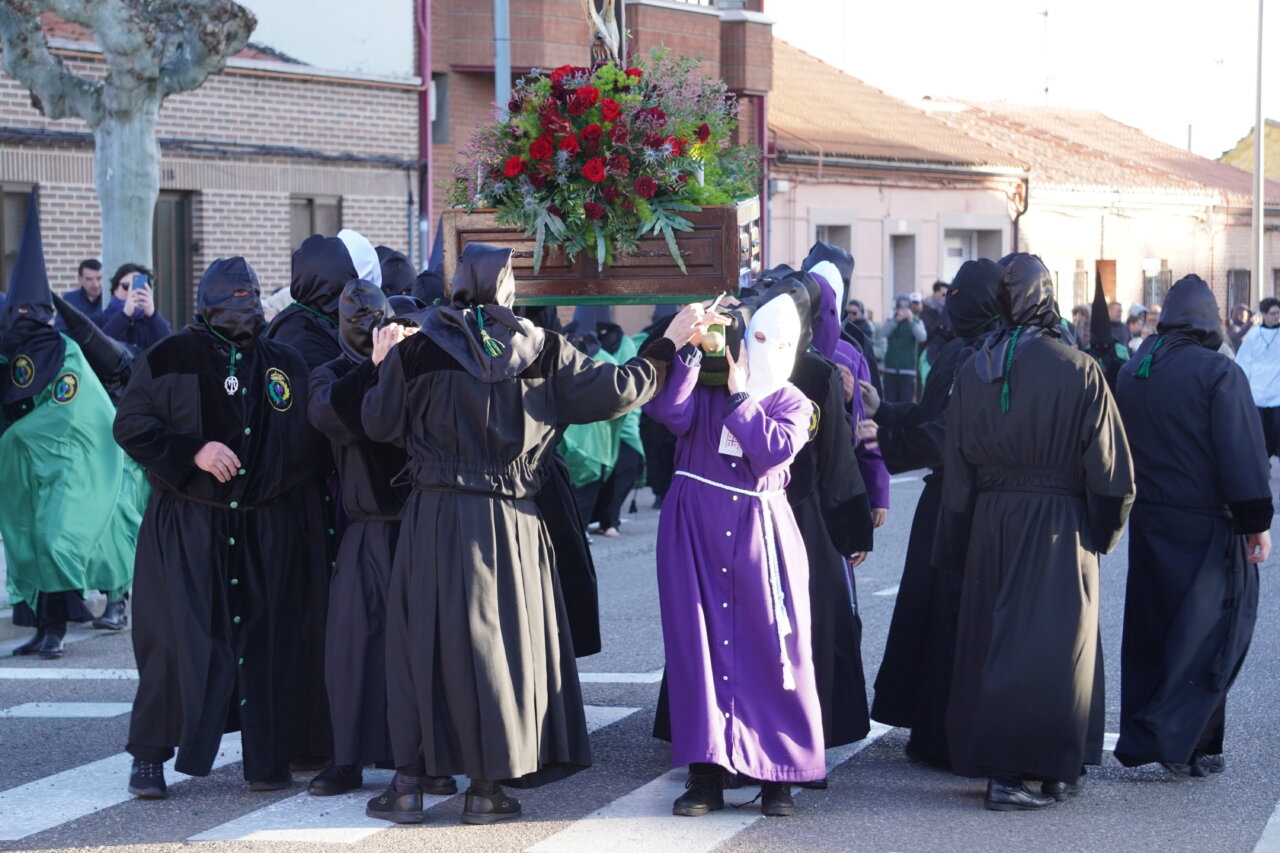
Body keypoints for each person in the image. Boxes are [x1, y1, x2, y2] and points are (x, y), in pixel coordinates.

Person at [360, 243, 702, 826]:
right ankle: (486, 789)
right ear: (508, 287)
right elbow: (622, 389)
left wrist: (379, 364)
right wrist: (668, 342)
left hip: (432, 515)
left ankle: (410, 784)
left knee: (420, 643)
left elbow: (377, 424)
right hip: (505, 518)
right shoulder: (542, 349)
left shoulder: (414, 350)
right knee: (498, 649)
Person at [114, 256, 324, 798]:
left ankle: (266, 758)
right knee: (173, 642)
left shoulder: (285, 363)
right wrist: (193, 451)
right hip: (188, 526)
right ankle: (149, 757)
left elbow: (311, 445)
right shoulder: (169, 357)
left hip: (262, 529)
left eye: (252, 294)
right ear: (207, 301)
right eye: (233, 295)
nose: (245, 305)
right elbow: (131, 424)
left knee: (266, 642)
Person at [943, 252, 1134, 811]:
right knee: (1053, 648)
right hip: (1056, 521)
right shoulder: (1079, 368)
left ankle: (1048, 767)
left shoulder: (972, 368)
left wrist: (957, 538)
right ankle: (1018, 774)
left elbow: (956, 466)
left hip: (990, 517)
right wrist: (1103, 531)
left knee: (996, 643)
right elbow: (1111, 472)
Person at [646, 286, 825, 819]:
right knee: (696, 650)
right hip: (694, 529)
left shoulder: (794, 401)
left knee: (773, 650)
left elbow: (770, 452)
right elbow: (665, 411)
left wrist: (744, 397)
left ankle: (779, 776)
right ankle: (706, 774)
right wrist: (692, 352)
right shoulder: (705, 389)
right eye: (754, 339)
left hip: (758, 535)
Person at [1113, 274, 1272, 778]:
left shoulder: (1136, 368)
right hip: (1207, 523)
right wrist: (1256, 522)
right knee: (1211, 635)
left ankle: (1158, 735)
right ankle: (1190, 743)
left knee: (1152, 632)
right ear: (1209, 320)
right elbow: (1241, 452)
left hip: (1150, 518)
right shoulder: (1217, 372)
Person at [304, 280, 453, 797]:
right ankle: (347, 757)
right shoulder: (330, 373)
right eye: (355, 317)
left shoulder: (415, 364)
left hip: (419, 521)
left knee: (422, 648)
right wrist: (373, 366)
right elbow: (331, 418)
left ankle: (425, 757)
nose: (367, 325)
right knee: (352, 648)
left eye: (376, 316)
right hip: (366, 527)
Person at [866, 258, 1002, 768]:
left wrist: (887, 444)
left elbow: (948, 435)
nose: (952, 304)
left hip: (969, 501)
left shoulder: (988, 354)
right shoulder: (957, 348)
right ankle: (928, 725)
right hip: (943, 498)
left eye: (962, 296)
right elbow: (929, 416)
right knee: (929, 609)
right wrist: (884, 411)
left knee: (952, 612)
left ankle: (948, 731)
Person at [1, 193, 142, 659]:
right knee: (27, 538)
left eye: (30, 314)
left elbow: (75, 411)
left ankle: (59, 627)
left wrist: (23, 434)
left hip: (67, 466)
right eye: (15, 315)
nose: (23, 322)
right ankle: (40, 628)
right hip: (26, 470)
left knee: (56, 537)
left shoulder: (66, 353)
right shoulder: (9, 354)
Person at [1235, 297, 1280, 463]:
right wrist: (1241, 389)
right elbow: (1243, 364)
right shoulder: (1253, 336)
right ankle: (1262, 467)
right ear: (1263, 314)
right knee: (1260, 436)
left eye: (1278, 313)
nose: (1277, 316)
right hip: (1258, 394)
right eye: (1273, 313)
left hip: (1277, 395)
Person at [102, 263, 173, 351]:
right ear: (115, 290)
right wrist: (124, 315)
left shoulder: (154, 322)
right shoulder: (101, 318)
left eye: (138, 287)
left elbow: (172, 347)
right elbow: (100, 348)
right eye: (126, 287)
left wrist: (152, 315)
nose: (132, 292)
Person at [879, 295, 926, 402]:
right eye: (901, 307)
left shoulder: (917, 322)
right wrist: (896, 320)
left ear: (910, 308)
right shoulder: (891, 321)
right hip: (890, 369)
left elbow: (922, 337)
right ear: (897, 308)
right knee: (890, 402)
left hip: (908, 370)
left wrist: (911, 322)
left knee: (905, 402)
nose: (903, 310)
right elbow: (882, 333)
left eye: (906, 307)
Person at [58, 258, 106, 328]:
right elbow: (60, 330)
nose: (96, 284)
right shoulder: (70, 299)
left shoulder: (110, 299)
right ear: (80, 279)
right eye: (89, 279)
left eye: (99, 278)